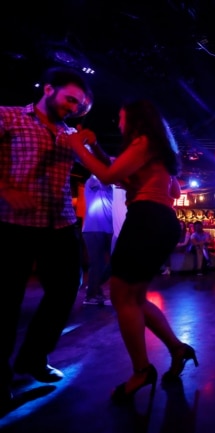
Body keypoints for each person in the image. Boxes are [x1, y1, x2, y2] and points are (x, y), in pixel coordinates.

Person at [65, 99, 198, 403]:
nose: (119, 123)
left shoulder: (144, 140)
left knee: (122, 296)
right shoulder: (160, 148)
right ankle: (178, 348)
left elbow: (110, 177)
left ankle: (141, 371)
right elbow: (170, 190)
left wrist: (77, 146)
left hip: (147, 219)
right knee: (134, 298)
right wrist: (97, 150)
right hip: (162, 221)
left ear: (136, 119)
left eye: (121, 117)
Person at [0, 66, 93, 409]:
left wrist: (90, 147)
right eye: (70, 99)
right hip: (13, 221)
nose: (73, 107)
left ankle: (33, 359)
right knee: (6, 301)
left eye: (79, 104)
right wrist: (5, 188)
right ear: (49, 89)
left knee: (67, 288)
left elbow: (102, 169)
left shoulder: (70, 134)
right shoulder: (8, 117)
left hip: (60, 224)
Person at [82, 174, 113, 306]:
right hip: (93, 228)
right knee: (97, 263)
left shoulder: (114, 187)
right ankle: (92, 295)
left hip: (110, 229)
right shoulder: (92, 181)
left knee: (116, 262)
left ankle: (94, 286)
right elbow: (96, 179)